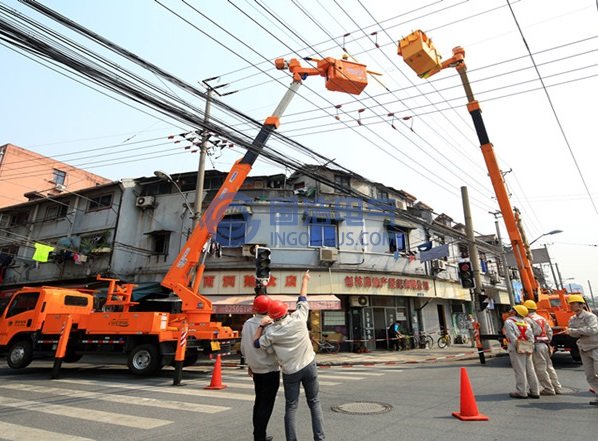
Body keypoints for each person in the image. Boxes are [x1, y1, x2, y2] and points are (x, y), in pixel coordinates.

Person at [254, 270, 325, 441]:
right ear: (286, 311)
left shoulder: (271, 331)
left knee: (291, 407)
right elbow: (302, 298)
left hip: (290, 371)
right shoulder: (299, 318)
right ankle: (320, 438)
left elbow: (256, 344)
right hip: (309, 365)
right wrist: (305, 280)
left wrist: (261, 326)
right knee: (314, 403)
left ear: (271, 316)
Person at [241, 295, 280, 441]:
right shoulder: (271, 324)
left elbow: (244, 347)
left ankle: (259, 434)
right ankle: (259, 436)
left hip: (256, 369)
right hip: (270, 369)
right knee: (266, 404)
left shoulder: (247, 323)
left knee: (259, 402)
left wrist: (250, 364)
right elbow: (272, 348)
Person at [564, 294, 598, 406]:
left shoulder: (590, 317)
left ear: (581, 305)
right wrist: (571, 332)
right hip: (584, 348)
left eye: (573, 303)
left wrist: (574, 331)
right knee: (590, 375)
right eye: (571, 304)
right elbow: (573, 334)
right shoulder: (572, 319)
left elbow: (593, 330)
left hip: (595, 347)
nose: (571, 306)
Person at [523, 299, 562, 395]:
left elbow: (528, 334)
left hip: (536, 345)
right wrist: (547, 341)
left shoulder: (527, 320)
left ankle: (548, 388)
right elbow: (549, 332)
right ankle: (557, 387)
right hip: (545, 345)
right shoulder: (542, 318)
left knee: (540, 368)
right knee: (549, 367)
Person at [504, 304, 540, 399]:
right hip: (527, 347)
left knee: (520, 370)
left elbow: (511, 336)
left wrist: (518, 346)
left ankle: (522, 392)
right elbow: (531, 337)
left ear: (516, 312)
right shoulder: (526, 323)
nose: (511, 310)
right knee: (530, 370)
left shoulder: (509, 322)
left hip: (516, 348)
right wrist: (529, 346)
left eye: (513, 309)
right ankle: (535, 391)